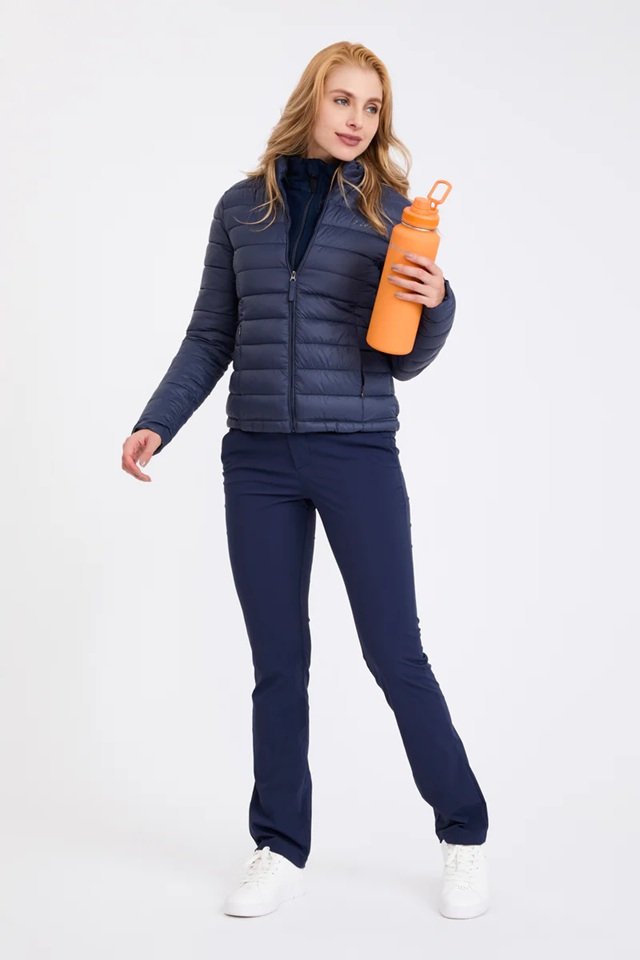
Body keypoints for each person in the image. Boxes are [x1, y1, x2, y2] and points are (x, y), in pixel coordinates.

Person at [122, 41, 490, 920]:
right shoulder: (242, 208)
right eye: (343, 99)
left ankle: (464, 835)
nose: (357, 119)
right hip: (256, 458)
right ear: (311, 101)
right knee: (278, 662)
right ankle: (279, 845)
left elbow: (401, 359)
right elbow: (211, 333)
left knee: (394, 652)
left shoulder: (392, 211)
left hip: (356, 451)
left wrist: (438, 304)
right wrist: (157, 419)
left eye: (372, 105)